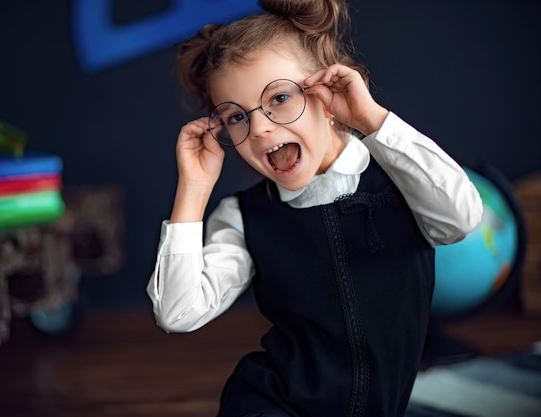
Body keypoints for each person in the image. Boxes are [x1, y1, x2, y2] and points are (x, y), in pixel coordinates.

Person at [146, 0, 483, 415]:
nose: (261, 127)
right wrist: (193, 191)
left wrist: (374, 120)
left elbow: (462, 219)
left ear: (328, 93)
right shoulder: (243, 217)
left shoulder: (401, 178)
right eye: (235, 117)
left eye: (281, 97)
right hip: (273, 404)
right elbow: (177, 313)